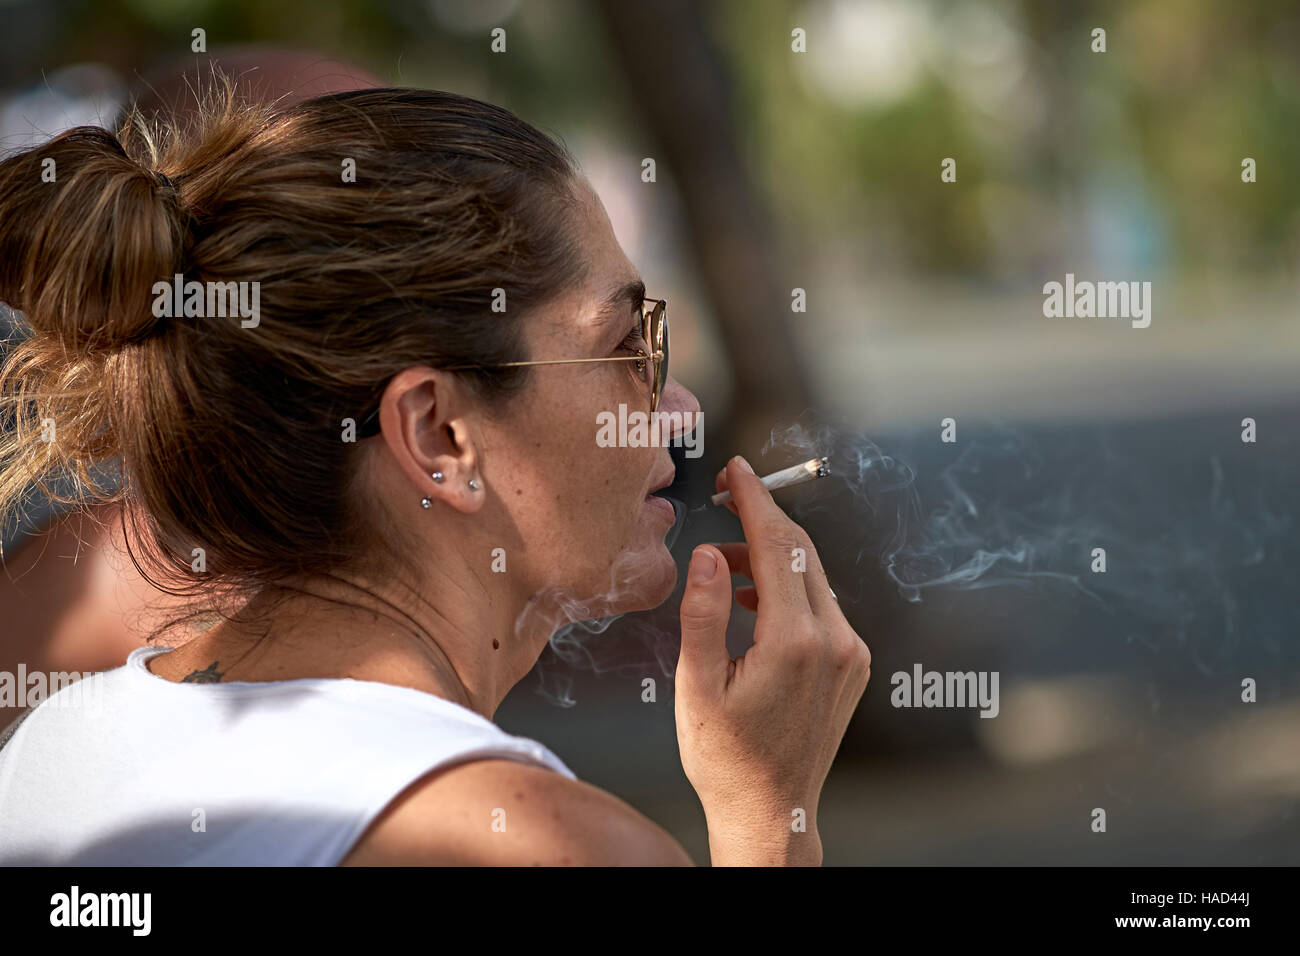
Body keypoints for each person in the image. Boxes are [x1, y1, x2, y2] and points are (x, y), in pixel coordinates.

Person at [0, 84, 870, 865]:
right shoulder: (542, 845)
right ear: (439, 433)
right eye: (626, 344)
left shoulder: (56, 743)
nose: (678, 410)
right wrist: (769, 821)